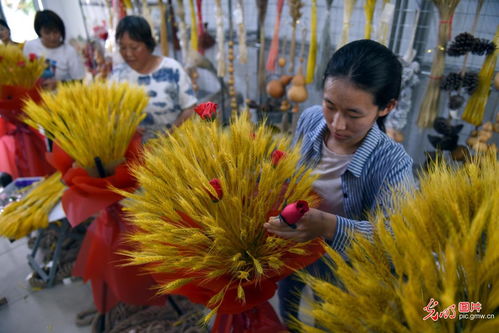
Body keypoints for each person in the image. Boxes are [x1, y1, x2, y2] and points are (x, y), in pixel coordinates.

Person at [264, 39, 414, 329]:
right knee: (290, 308)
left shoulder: (392, 163)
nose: (337, 124)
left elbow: (396, 238)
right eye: (330, 106)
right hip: (293, 250)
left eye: (354, 114)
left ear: (387, 107)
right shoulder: (309, 121)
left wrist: (330, 226)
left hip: (343, 267)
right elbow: (290, 173)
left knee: (331, 322)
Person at [110, 15, 197, 138]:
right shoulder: (118, 75)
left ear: (148, 44)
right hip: (135, 148)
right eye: (123, 47)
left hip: (174, 144)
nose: (128, 53)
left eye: (134, 47)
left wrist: (169, 134)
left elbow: (190, 108)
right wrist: (126, 125)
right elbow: (110, 113)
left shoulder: (172, 69)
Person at [23, 10, 85, 90]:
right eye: (47, 33)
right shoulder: (30, 46)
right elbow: (24, 73)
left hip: (62, 98)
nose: (52, 37)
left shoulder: (69, 52)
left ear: (61, 31)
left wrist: (59, 84)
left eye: (56, 32)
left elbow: (79, 81)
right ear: (39, 32)